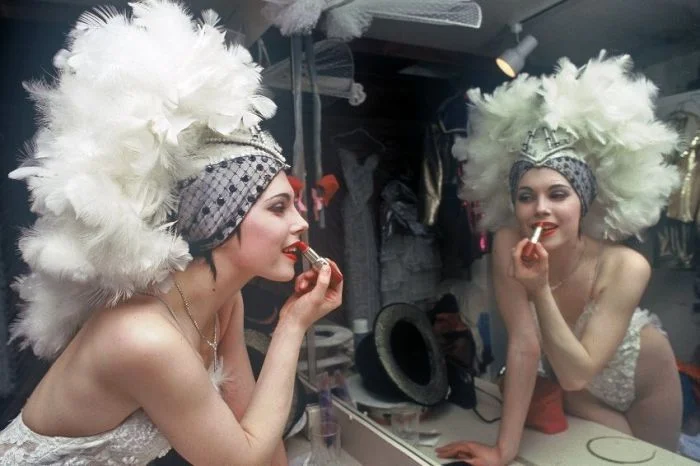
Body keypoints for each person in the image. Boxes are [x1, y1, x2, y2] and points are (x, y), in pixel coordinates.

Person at [0, 1, 342, 465]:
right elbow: (240, 461)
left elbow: (254, 432)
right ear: (215, 219)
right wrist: (293, 324)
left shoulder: (225, 304)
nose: (301, 222)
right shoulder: (143, 336)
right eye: (279, 207)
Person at [437, 52, 683, 465]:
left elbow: (574, 372)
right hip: (578, 390)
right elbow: (524, 345)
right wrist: (502, 451)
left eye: (558, 194)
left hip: (642, 387)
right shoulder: (507, 242)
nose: (540, 209)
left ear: (582, 202)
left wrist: (539, 290)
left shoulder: (626, 266)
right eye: (526, 196)